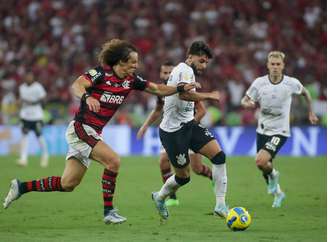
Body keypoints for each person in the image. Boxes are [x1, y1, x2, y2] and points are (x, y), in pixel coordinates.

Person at [3, 39, 198, 224]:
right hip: (81, 128)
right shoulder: (100, 74)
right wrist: (87, 97)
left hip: (92, 132)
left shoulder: (131, 80)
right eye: (133, 62)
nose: (135, 66)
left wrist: (179, 88)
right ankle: (108, 212)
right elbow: (76, 85)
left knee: (68, 184)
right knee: (113, 161)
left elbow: (157, 89)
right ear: (121, 62)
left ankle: (21, 187)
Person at [151, 41, 229, 220]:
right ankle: (160, 197)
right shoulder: (184, 70)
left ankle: (221, 204)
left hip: (189, 125)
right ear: (190, 57)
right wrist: (209, 95)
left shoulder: (188, 72)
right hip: (173, 132)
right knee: (184, 177)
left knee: (219, 156)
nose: (204, 65)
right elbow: (183, 94)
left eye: (206, 63)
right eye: (201, 61)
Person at [241, 51, 319, 208]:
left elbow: (306, 93)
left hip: (280, 131)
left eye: (278, 64)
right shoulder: (259, 83)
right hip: (262, 130)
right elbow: (245, 99)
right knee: (262, 166)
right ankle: (278, 193)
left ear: (283, 66)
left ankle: (274, 176)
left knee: (260, 160)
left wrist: (311, 112)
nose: (275, 67)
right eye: (272, 64)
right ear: (268, 66)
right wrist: (246, 104)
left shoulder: (291, 83)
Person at [137, 61, 212, 207]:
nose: (166, 75)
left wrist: (188, 126)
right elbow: (158, 109)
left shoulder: (185, 89)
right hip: (172, 132)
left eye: (168, 73)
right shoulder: (162, 91)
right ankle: (171, 196)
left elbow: (202, 110)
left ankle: (214, 178)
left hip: (189, 130)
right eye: (163, 72)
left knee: (197, 169)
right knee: (163, 161)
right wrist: (145, 126)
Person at [17, 72, 49, 167]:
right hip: (25, 116)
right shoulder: (22, 87)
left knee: (39, 137)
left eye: (30, 76)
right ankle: (23, 159)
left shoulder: (38, 87)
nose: (28, 78)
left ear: (33, 77)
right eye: (27, 76)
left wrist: (32, 102)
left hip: (36, 116)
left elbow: (43, 98)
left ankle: (45, 156)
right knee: (24, 136)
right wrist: (19, 103)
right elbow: (21, 100)